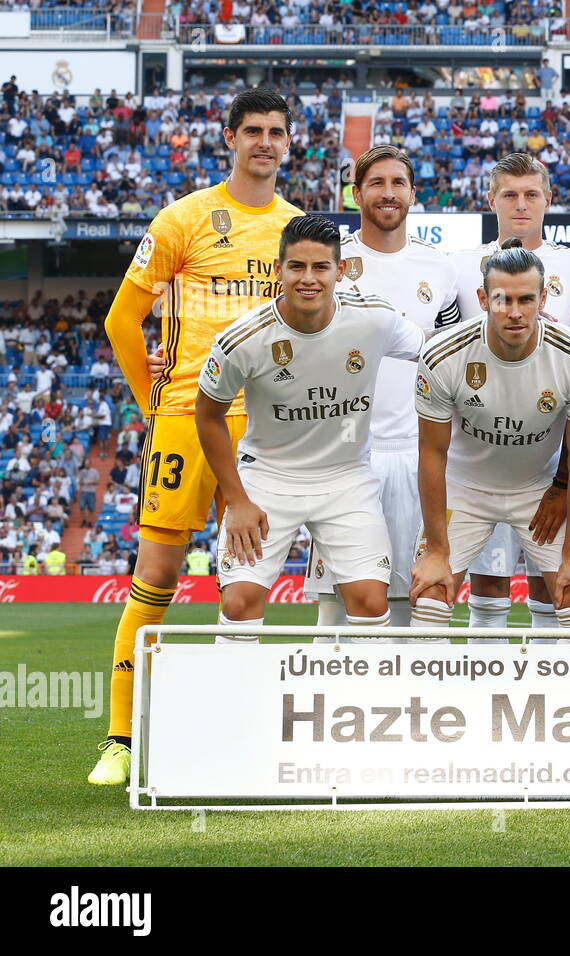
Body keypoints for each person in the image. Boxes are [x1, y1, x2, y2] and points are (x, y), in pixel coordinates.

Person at [89, 88, 302, 789]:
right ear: (230, 138)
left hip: (267, 426)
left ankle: (232, 736)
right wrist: (150, 405)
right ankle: (121, 739)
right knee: (156, 574)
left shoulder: (300, 230)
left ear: (289, 142)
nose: (264, 142)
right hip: (187, 417)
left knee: (242, 585)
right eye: (252, 131)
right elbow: (124, 322)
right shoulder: (182, 219)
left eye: (276, 132)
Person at [196, 215, 427, 644]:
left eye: (320, 267)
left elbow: (436, 352)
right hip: (267, 477)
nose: (308, 278)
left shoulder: (374, 318)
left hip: (346, 478)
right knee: (239, 602)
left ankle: (357, 707)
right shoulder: (243, 339)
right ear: (278, 269)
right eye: (296, 267)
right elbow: (207, 416)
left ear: (340, 271)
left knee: (370, 603)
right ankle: (236, 705)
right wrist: (237, 499)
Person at [408, 241, 570, 636]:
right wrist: (437, 551)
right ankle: (427, 698)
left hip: (539, 489)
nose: (515, 312)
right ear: (482, 298)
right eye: (502, 299)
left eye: (526, 299)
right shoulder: (443, 355)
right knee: (430, 593)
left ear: (544, 297)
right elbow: (431, 453)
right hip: (464, 488)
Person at [304, 145, 460, 634]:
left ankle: (424, 705)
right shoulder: (331, 264)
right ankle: (332, 704)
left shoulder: (441, 269)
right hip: (348, 456)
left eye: (397, 183)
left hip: (422, 455)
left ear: (413, 194)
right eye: (376, 183)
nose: (387, 193)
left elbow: (450, 358)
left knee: (423, 597)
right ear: (356, 193)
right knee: (338, 600)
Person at [449, 153, 570, 640]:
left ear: (549, 199)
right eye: (510, 194)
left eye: (532, 194)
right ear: (491, 201)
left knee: (553, 584)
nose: (521, 204)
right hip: (480, 446)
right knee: (488, 583)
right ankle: (486, 688)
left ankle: (551, 692)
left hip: (549, 449)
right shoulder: (463, 265)